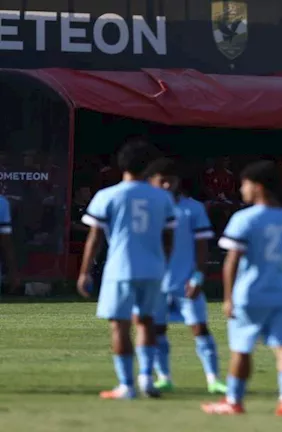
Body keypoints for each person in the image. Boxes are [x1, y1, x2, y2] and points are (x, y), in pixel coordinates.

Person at [201, 161, 282, 416]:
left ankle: (234, 400)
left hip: (251, 292)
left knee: (242, 348)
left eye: (244, 184)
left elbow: (232, 261)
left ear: (257, 186)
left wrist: (228, 297)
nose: (241, 190)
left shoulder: (245, 218)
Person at [76, 139, 176, 400]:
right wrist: (164, 264)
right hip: (154, 268)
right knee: (146, 322)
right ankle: (147, 378)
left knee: (119, 325)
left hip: (121, 267)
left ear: (121, 164)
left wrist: (85, 271)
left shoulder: (108, 195)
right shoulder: (162, 197)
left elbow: (95, 237)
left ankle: (126, 385)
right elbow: (169, 237)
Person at [142, 159, 227, 394]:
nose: (167, 185)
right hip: (156, 282)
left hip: (185, 281)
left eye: (171, 180)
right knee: (157, 330)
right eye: (162, 180)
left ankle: (213, 379)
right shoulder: (146, 208)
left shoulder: (193, 208)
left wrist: (198, 276)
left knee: (200, 328)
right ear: (151, 181)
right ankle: (164, 377)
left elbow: (202, 246)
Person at [0, 194, 19, 295]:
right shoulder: (2, 202)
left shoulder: (2, 202)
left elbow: (5, 241)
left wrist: (13, 272)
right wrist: (13, 272)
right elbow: (6, 242)